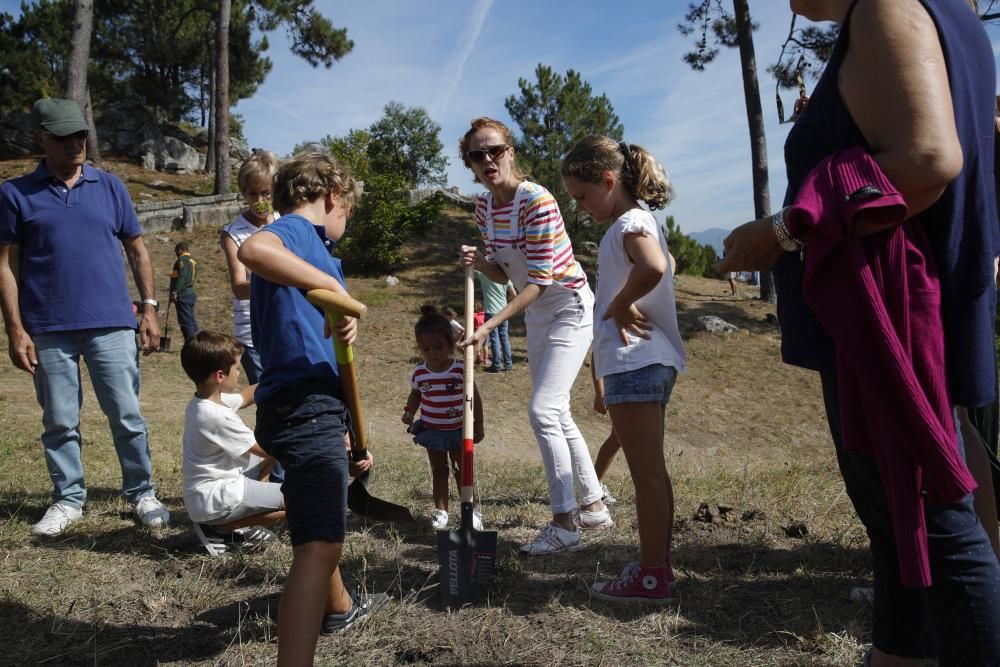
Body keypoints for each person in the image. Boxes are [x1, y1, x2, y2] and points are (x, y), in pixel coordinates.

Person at [720, 1, 1000, 663]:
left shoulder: (885, 8)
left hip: (889, 323)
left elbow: (929, 158)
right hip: (903, 319)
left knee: (936, 526)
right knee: (900, 517)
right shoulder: (944, 13)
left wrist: (783, 228)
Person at [0, 97, 169, 537]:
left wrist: (148, 308)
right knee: (58, 420)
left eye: (81, 135)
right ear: (41, 138)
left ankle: (142, 492)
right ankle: (68, 499)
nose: (76, 144)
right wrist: (15, 328)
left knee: (127, 413)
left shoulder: (110, 186)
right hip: (47, 326)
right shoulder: (14, 194)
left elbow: (137, 248)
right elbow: (5, 265)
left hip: (112, 320)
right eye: (64, 137)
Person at [237, 151, 381, 664]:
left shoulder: (317, 252)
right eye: (347, 213)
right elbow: (254, 249)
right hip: (304, 405)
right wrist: (333, 290)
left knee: (316, 517)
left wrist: (337, 303)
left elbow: (317, 320)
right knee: (319, 545)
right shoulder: (296, 232)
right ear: (334, 197)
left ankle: (339, 607)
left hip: (307, 405)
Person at [457, 116, 611, 556]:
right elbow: (505, 273)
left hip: (567, 304)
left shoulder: (537, 201)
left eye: (495, 150)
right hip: (537, 312)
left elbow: (539, 281)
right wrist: (478, 260)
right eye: (477, 154)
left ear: (510, 151)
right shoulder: (484, 207)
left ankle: (565, 523)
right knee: (557, 412)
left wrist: (489, 325)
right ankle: (594, 506)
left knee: (543, 410)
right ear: (469, 163)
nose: (488, 160)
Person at [562, 136, 685, 603]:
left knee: (646, 475)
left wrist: (619, 303)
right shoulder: (641, 221)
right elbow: (666, 262)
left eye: (582, 196)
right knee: (653, 474)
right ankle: (659, 568)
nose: (580, 207)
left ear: (609, 181)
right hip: (649, 362)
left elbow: (654, 266)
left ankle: (652, 575)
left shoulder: (629, 222)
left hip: (634, 363)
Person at [180, 331, 284, 557]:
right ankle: (222, 527)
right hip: (218, 497)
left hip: (208, 493)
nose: (239, 373)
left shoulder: (204, 401)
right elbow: (270, 448)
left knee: (267, 458)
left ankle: (232, 521)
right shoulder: (216, 416)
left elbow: (247, 395)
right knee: (302, 499)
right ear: (220, 375)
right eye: (237, 368)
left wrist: (277, 381)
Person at [401, 312, 485, 530]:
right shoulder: (420, 372)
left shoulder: (459, 369)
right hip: (432, 430)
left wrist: (478, 424)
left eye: (438, 347)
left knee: (461, 470)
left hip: (458, 430)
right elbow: (416, 394)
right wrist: (410, 411)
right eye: (426, 349)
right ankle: (441, 511)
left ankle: (472, 510)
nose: (433, 353)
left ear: (451, 345)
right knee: (439, 470)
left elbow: (474, 397)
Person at [221, 149, 279, 385]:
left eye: (266, 193)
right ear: (243, 192)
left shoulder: (284, 221)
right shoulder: (232, 233)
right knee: (268, 397)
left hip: (284, 323)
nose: (260, 201)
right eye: (253, 193)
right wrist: (276, 279)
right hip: (252, 332)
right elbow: (239, 287)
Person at [476, 270, 515, 373]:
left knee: (494, 339)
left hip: (491, 312)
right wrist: (506, 304)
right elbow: (514, 294)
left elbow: (469, 269)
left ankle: (496, 365)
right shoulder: (506, 277)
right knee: (504, 338)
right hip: (503, 312)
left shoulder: (484, 274)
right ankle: (508, 365)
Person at [169, 241, 199, 342]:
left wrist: (175, 291)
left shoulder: (182, 260)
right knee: (191, 320)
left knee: (185, 321)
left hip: (183, 295)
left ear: (180, 250)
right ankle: (198, 342)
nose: (175, 252)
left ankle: (191, 344)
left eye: (176, 250)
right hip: (190, 293)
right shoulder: (193, 261)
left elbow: (183, 277)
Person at [473, 300, 488, 365]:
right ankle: (486, 359)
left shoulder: (473, 315)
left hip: (478, 332)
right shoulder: (484, 314)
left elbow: (473, 325)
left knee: (477, 345)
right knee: (485, 345)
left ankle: (479, 358)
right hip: (485, 332)